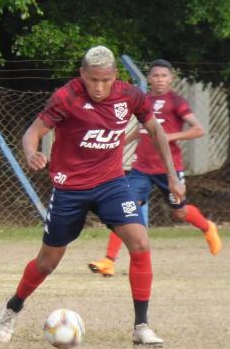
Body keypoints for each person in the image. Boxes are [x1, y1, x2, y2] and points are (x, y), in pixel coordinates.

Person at [0, 46, 184, 347]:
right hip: (69, 189)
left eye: (105, 80)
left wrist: (172, 176)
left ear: (114, 77)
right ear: (82, 75)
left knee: (140, 242)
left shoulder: (130, 95)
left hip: (111, 183)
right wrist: (31, 154)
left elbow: (155, 130)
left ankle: (141, 326)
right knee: (47, 263)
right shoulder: (66, 97)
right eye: (93, 80)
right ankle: (14, 306)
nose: (99, 87)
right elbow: (33, 132)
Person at [87, 59, 221, 278]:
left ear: (171, 79)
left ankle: (207, 227)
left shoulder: (177, 102)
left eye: (164, 76)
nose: (160, 80)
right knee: (125, 208)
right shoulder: (144, 100)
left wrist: (170, 136)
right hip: (141, 168)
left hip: (169, 169)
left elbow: (198, 129)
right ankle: (108, 261)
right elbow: (141, 129)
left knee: (180, 212)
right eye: (156, 76)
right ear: (149, 79)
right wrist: (118, 143)